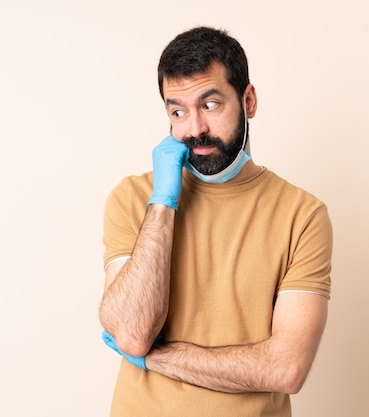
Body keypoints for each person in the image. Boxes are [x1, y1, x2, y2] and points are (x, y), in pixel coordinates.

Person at [99, 26, 333, 417]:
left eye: (210, 104)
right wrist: (163, 202)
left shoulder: (302, 215)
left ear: (249, 100)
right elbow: (134, 334)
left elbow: (286, 368)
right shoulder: (131, 199)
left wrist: (160, 359)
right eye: (178, 111)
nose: (194, 130)